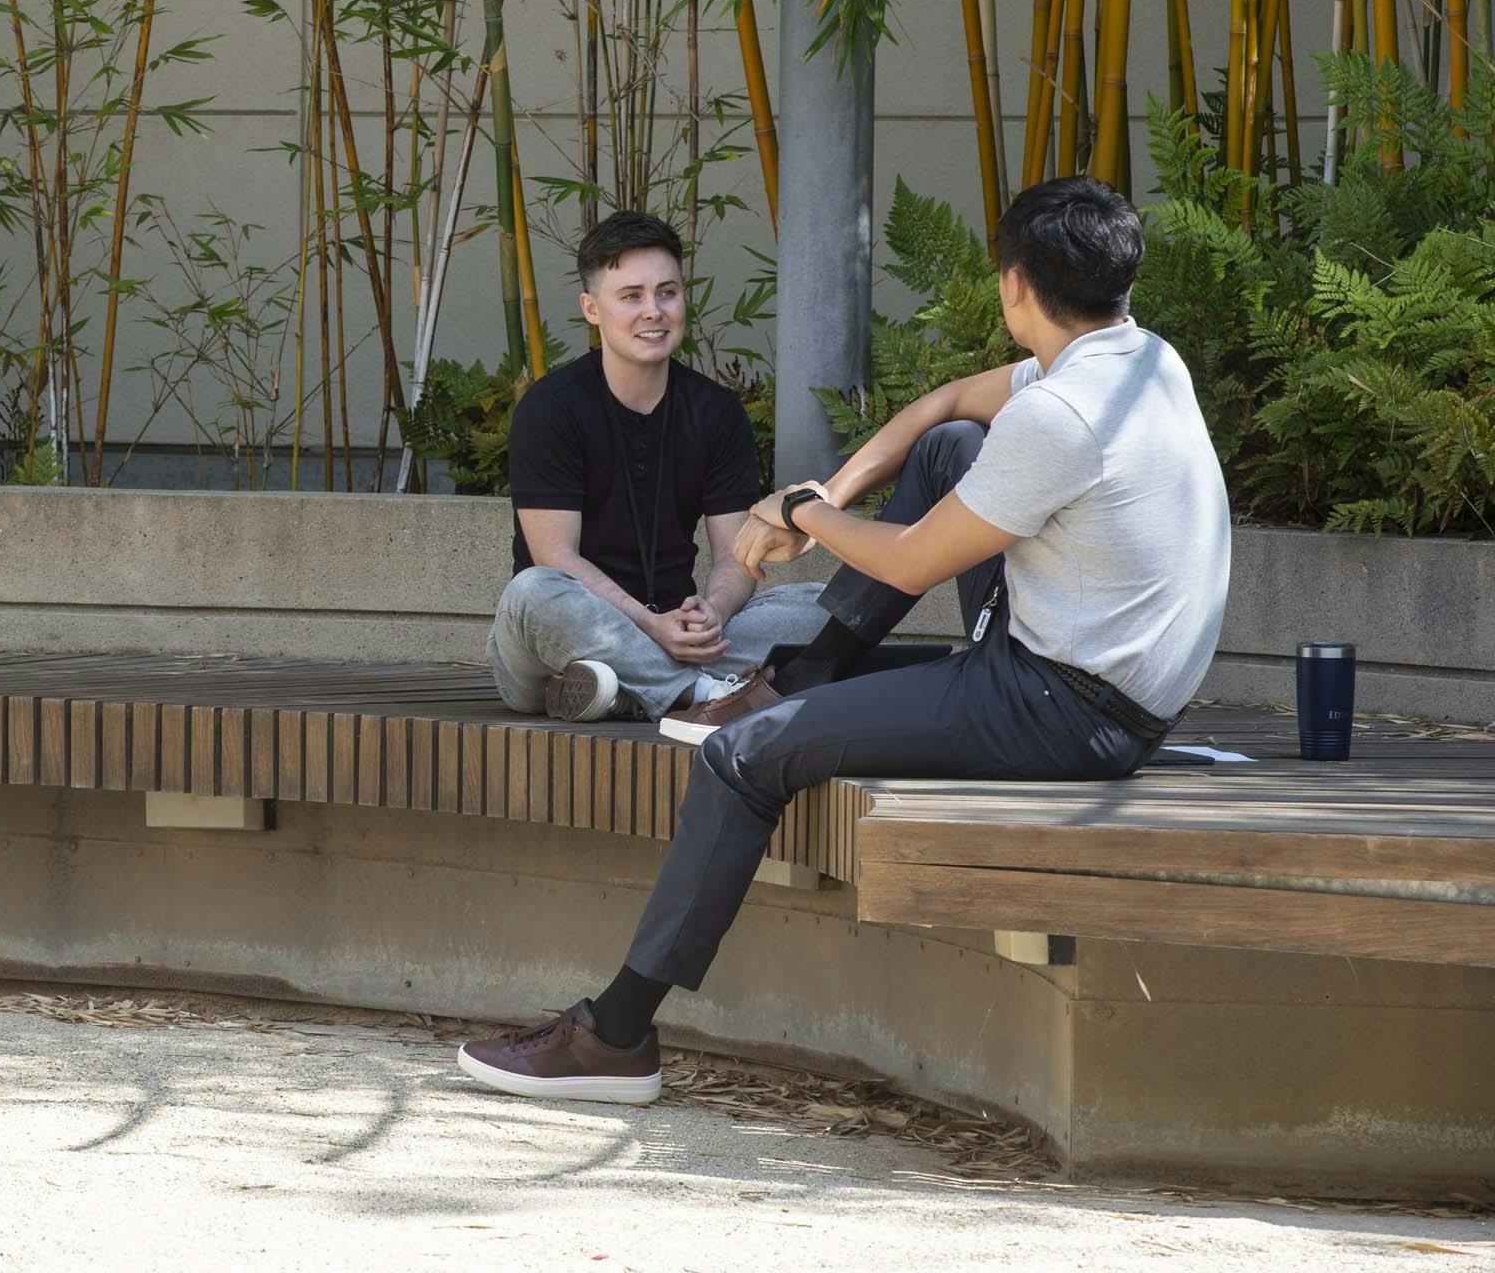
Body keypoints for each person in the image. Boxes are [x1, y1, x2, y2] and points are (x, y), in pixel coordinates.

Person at [457, 177, 1232, 1105]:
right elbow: (945, 406)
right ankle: (807, 673)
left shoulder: (1057, 418)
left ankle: (615, 1038)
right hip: (1068, 674)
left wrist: (808, 516)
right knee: (947, 453)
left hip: (1062, 706)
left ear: (1014, 287)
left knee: (744, 759)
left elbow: (907, 563)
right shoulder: (1139, 360)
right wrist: (823, 497)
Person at [487, 210, 830, 726]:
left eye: (667, 293)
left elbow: (736, 557)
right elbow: (557, 558)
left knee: (825, 602)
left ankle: (624, 690)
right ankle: (708, 692)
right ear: (592, 308)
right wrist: (650, 625)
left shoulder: (715, 411)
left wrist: (712, 611)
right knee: (534, 591)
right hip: (565, 635)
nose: (654, 311)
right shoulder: (550, 408)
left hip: (678, 634)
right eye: (631, 296)